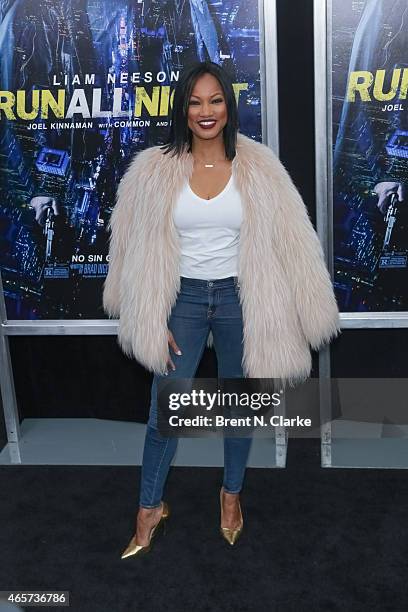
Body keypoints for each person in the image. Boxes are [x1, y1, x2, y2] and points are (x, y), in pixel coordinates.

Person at [103, 60, 341, 558]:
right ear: (182, 110)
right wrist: (148, 315)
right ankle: (149, 508)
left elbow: (295, 241)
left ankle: (231, 497)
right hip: (182, 298)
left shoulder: (259, 165)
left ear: (228, 107)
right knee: (163, 411)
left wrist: (297, 309)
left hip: (240, 298)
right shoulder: (152, 169)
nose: (205, 111)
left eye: (214, 100)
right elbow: (129, 249)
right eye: (195, 101)